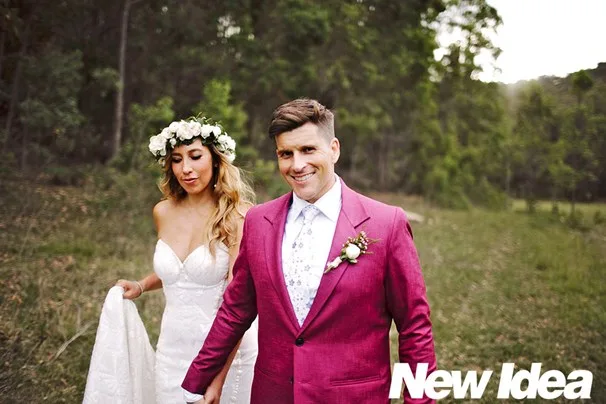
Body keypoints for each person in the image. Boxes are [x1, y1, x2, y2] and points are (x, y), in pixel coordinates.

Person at [182, 98, 436, 403]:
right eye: (285, 154)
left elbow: (414, 327)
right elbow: (236, 310)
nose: (297, 165)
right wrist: (202, 377)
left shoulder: (387, 224)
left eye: (308, 150)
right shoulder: (258, 222)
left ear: (334, 149)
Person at [116, 117, 258, 403]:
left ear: (216, 161)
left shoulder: (238, 217)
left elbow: (239, 303)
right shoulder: (163, 212)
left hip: (224, 355)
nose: (186, 169)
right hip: (172, 349)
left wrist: (216, 381)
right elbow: (181, 274)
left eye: (195, 157)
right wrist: (141, 285)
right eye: (177, 159)